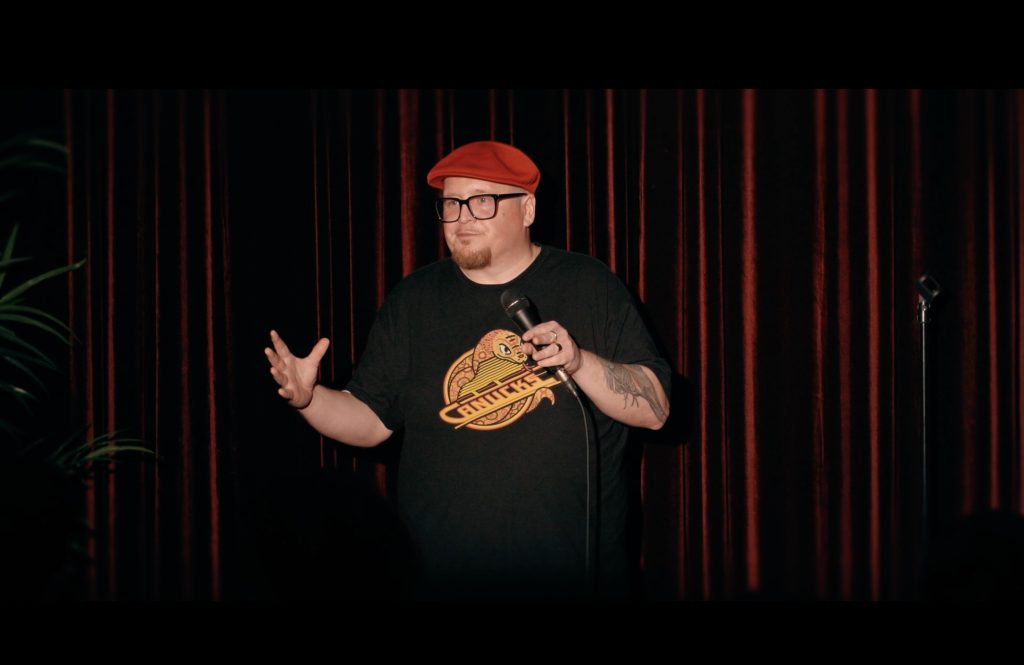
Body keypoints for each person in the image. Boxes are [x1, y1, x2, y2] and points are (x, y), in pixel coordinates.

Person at [264, 140, 671, 600]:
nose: (463, 218)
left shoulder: (588, 284)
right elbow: (371, 422)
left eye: (482, 201)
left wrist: (580, 362)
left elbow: (655, 409)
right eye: (452, 204)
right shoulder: (413, 300)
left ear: (528, 209)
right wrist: (310, 400)